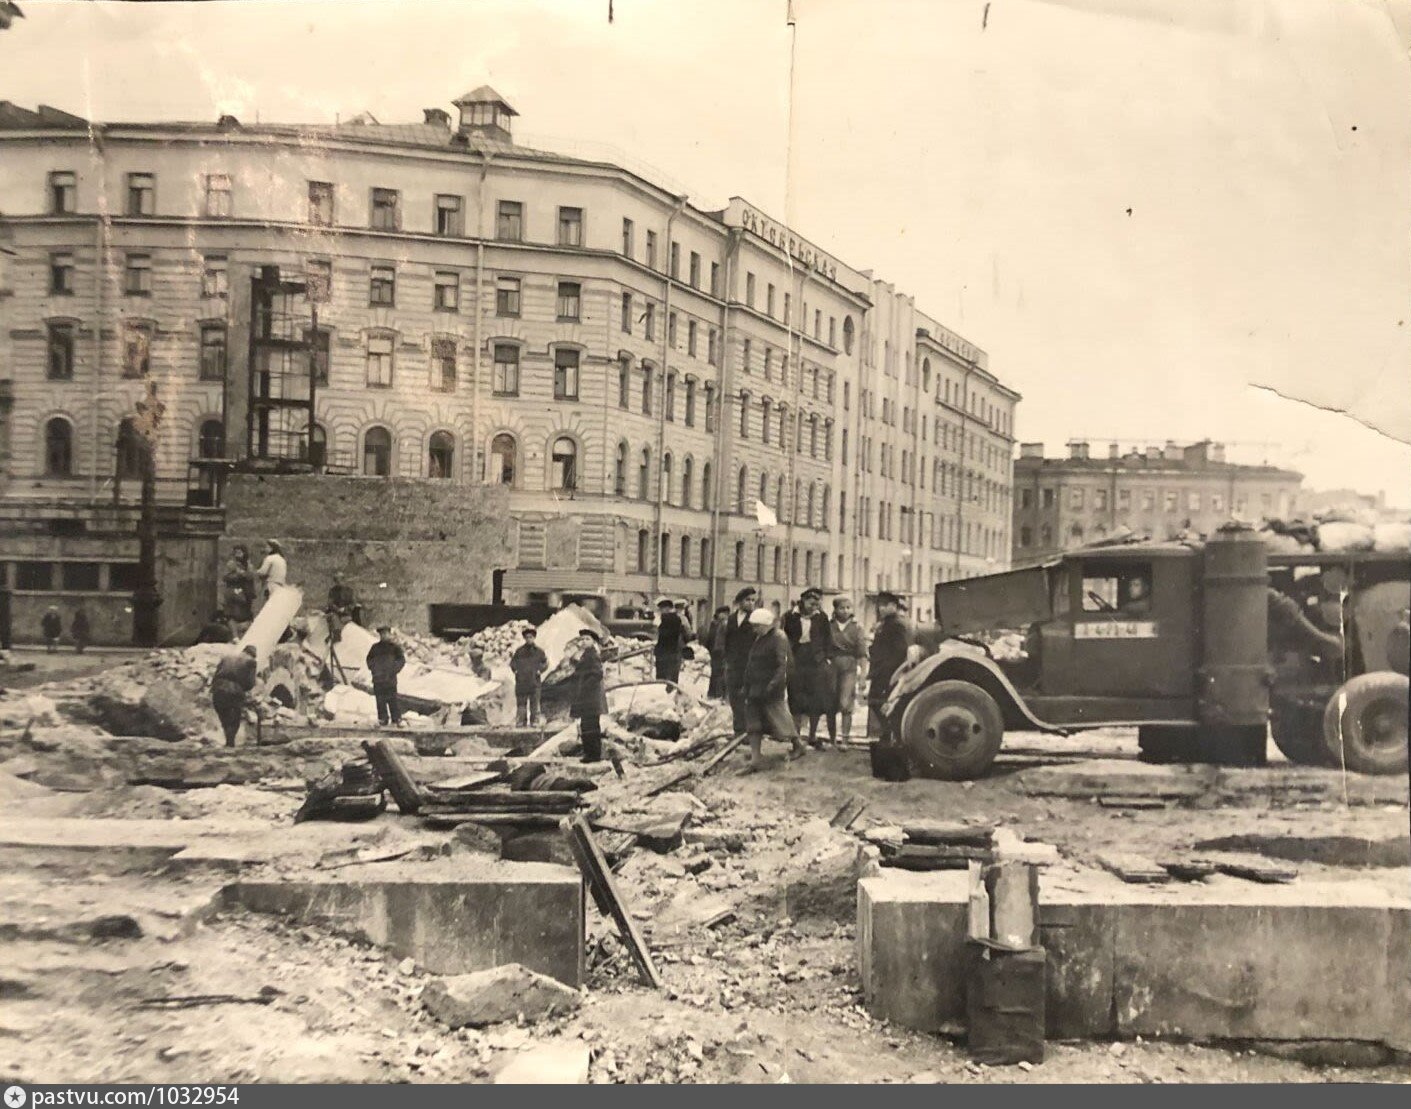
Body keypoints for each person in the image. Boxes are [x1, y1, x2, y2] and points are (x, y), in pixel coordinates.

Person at [742, 607, 806, 764]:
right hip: (756, 685)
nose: (754, 629)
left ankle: (798, 745)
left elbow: (782, 665)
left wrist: (773, 686)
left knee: (779, 717)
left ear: (767, 624)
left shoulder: (779, 637)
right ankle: (756, 755)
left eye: (757, 626)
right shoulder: (760, 637)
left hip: (771, 686)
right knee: (753, 719)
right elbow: (752, 662)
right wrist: (747, 683)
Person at [782, 587, 835, 748]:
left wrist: (826, 659)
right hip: (796, 659)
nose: (814, 607)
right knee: (795, 697)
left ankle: (812, 735)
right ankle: (796, 738)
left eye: (817, 604)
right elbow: (783, 637)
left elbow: (828, 639)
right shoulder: (790, 616)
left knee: (816, 699)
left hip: (816, 661)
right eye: (811, 604)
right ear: (803, 601)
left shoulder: (821, 617)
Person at [867, 591, 913, 742]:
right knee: (876, 701)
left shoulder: (896, 624)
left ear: (893, 606)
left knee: (882, 702)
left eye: (885, 605)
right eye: (880, 605)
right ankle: (888, 733)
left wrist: (889, 668)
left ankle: (891, 734)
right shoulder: (886, 623)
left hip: (888, 671)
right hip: (881, 670)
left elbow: (901, 649)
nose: (881, 608)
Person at [829, 596, 867, 745]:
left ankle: (845, 739)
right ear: (835, 609)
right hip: (831, 667)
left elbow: (862, 653)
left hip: (849, 668)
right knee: (830, 703)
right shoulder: (829, 626)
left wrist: (863, 676)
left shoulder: (857, 627)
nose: (845, 611)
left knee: (846, 703)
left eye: (848, 608)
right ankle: (832, 739)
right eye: (842, 608)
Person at [569, 628, 609, 763]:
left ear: (593, 642)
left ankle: (593, 755)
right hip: (587, 696)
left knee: (590, 725)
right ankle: (590, 753)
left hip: (590, 696)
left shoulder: (592, 655)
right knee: (588, 725)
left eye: (587, 639)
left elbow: (597, 674)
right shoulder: (586, 654)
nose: (584, 641)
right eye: (583, 639)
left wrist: (585, 686)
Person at [723, 587, 759, 736]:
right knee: (734, 697)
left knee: (747, 698)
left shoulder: (755, 619)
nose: (751, 603)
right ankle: (738, 730)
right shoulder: (731, 619)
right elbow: (727, 641)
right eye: (747, 600)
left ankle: (748, 731)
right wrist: (727, 660)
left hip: (749, 664)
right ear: (739, 602)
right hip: (733, 665)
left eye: (753, 600)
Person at [210, 644, 258, 748]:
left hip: (218, 688)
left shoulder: (227, 657)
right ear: (253, 655)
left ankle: (228, 742)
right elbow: (250, 682)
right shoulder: (251, 662)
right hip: (234, 690)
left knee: (224, 716)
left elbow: (215, 675)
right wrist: (246, 692)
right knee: (235, 719)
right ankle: (230, 743)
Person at [365, 625, 406, 727]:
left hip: (390, 679)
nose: (384, 636)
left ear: (389, 634)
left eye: (386, 634)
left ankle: (396, 719)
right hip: (378, 679)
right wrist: (374, 669)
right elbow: (369, 660)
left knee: (393, 699)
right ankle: (383, 719)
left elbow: (401, 660)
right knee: (380, 701)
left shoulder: (394, 647)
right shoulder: (375, 648)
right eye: (382, 634)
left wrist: (394, 669)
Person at [510, 626, 549, 726]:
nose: (529, 639)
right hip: (521, 682)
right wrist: (516, 671)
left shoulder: (539, 651)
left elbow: (545, 663)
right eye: (527, 637)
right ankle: (521, 722)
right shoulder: (519, 651)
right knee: (521, 704)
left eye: (531, 637)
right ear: (524, 638)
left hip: (534, 682)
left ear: (534, 638)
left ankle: (534, 722)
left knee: (534, 704)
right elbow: (513, 663)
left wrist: (540, 670)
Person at [654, 597, 688, 683]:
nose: (661, 611)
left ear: (667, 608)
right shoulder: (676, 618)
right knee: (672, 676)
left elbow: (664, 636)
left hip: (666, 653)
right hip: (672, 652)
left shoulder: (668, 619)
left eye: (662, 609)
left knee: (664, 677)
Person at [222, 546, 256, 631]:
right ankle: (235, 634)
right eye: (236, 553)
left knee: (246, 614)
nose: (238, 555)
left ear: (244, 553)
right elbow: (226, 577)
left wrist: (243, 574)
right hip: (235, 592)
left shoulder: (248, 564)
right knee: (233, 614)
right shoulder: (232, 563)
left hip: (246, 592)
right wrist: (238, 575)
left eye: (240, 553)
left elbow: (251, 576)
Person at [704, 605, 731, 700]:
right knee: (717, 673)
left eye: (722, 614)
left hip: (721, 652)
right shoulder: (718, 624)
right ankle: (715, 694)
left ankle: (718, 694)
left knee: (719, 674)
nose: (720, 616)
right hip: (716, 652)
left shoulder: (724, 625)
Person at [326, 570, 361, 643]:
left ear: (343, 580)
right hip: (336, 613)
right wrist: (337, 609)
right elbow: (330, 603)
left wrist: (345, 609)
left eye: (340, 580)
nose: (338, 583)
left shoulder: (350, 591)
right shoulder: (332, 591)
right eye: (336, 581)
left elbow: (353, 603)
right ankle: (337, 634)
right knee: (333, 618)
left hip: (347, 614)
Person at [256, 540, 288, 608]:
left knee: (268, 604)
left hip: (271, 584)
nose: (265, 549)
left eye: (267, 547)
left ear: (272, 548)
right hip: (280, 584)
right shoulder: (282, 559)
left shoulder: (269, 558)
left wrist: (256, 572)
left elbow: (263, 572)